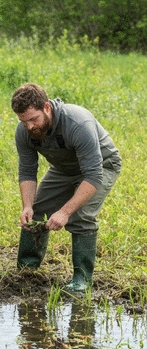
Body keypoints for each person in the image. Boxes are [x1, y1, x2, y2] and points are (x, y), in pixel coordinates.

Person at [11, 83, 121, 291]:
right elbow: (27, 171)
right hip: (64, 168)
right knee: (37, 211)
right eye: (23, 121)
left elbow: (93, 175)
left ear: (46, 108)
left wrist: (64, 212)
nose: (30, 127)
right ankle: (27, 268)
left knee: (81, 216)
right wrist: (27, 206)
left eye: (34, 119)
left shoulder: (77, 123)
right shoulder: (24, 131)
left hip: (102, 166)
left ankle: (81, 280)